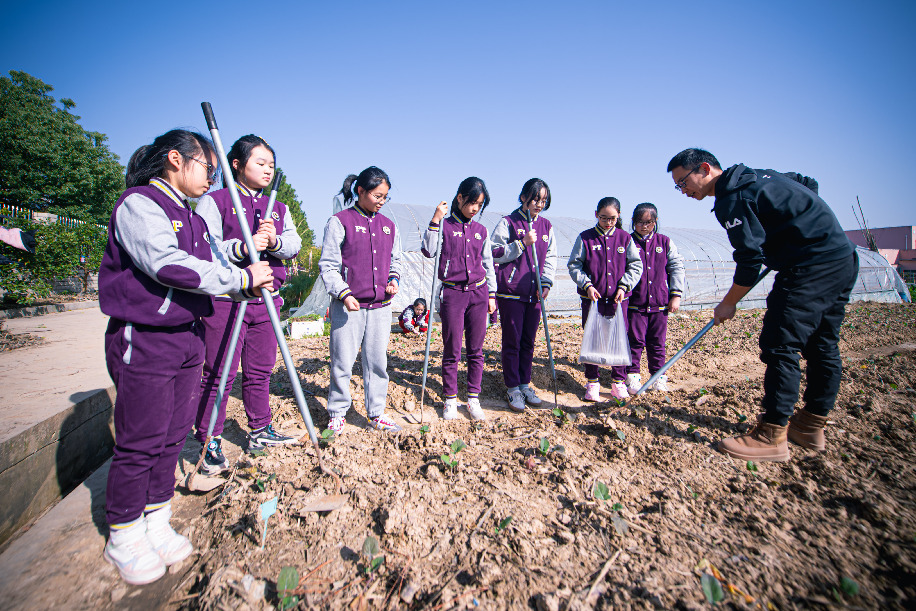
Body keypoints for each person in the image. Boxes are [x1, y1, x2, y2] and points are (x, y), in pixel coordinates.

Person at [98, 129, 273, 584]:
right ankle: (123, 530)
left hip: (188, 335)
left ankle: (155, 519)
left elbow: (217, 257)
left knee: (173, 435)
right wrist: (240, 280)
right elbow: (166, 263)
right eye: (207, 168)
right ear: (176, 159)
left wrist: (247, 255)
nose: (212, 178)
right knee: (141, 437)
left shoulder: (192, 216)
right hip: (148, 337)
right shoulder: (140, 204)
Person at [667, 148, 858, 462]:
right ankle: (810, 425)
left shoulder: (732, 199)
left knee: (781, 343)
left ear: (704, 168)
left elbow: (749, 260)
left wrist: (728, 304)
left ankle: (771, 434)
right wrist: (794, 227)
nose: (683, 191)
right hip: (840, 257)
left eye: (683, 182)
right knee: (822, 343)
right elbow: (807, 183)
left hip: (809, 266)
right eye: (678, 186)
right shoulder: (758, 176)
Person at [193, 135, 302, 470]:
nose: (268, 170)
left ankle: (260, 428)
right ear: (236, 165)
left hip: (266, 300)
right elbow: (206, 248)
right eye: (260, 163)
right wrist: (243, 247)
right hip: (228, 299)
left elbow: (294, 244)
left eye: (271, 164)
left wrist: (274, 240)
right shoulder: (216, 201)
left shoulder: (278, 208)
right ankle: (209, 438)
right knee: (219, 372)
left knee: (259, 370)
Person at [319, 166, 403, 433]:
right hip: (349, 306)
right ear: (361, 191)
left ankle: (376, 412)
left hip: (380, 307)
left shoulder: (389, 227)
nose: (381, 202)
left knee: (377, 363)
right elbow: (329, 265)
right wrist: (343, 293)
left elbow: (396, 260)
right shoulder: (340, 221)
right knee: (342, 361)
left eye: (385, 197)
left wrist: (394, 279)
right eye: (377, 196)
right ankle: (338, 411)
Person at [422, 177, 498, 420]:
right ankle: (450, 399)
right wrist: (435, 219)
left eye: (480, 205)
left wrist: (492, 294)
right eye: (472, 203)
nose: (475, 209)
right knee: (452, 349)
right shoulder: (445, 225)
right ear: (460, 198)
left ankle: (473, 398)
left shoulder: (481, 231)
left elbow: (488, 264)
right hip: (452, 293)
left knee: (476, 350)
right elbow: (428, 250)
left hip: (478, 292)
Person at [491, 178, 557, 411]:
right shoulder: (508, 222)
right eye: (536, 198)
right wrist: (521, 244)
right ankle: (512, 389)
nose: (539, 204)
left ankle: (524, 383)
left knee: (528, 342)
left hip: (535, 295)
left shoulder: (547, 226)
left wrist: (546, 283)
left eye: (544, 200)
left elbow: (550, 258)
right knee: (513, 342)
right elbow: (493, 252)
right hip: (511, 293)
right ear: (523, 197)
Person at [568, 197, 643, 401]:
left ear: (618, 217)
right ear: (596, 215)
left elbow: (635, 266)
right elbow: (574, 265)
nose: (608, 222)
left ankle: (618, 382)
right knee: (593, 338)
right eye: (603, 218)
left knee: (619, 337)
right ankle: (592, 381)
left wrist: (624, 286)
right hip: (593, 299)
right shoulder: (586, 238)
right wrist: (587, 285)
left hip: (618, 300)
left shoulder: (625, 238)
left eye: (612, 218)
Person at [625, 203, 686, 394]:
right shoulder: (627, 241)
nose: (644, 226)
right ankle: (633, 377)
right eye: (640, 222)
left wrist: (675, 295)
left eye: (648, 222)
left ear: (655, 222)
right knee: (634, 342)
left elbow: (676, 267)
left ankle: (658, 377)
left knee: (657, 343)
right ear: (633, 222)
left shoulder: (664, 242)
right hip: (635, 304)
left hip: (659, 304)